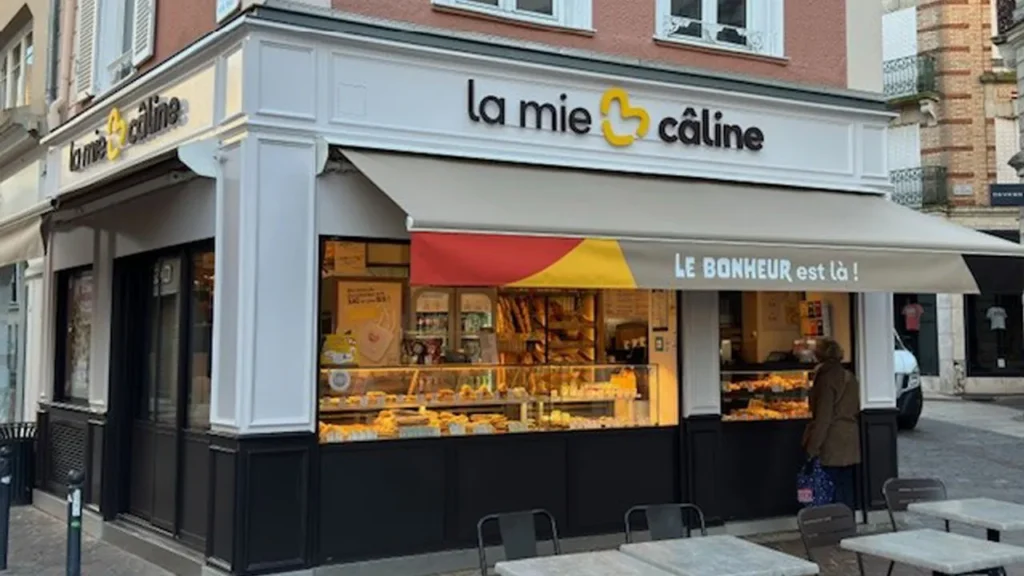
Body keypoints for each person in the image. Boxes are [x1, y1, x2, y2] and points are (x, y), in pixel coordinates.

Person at [802, 338, 861, 510]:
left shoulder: (825, 379)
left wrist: (812, 448)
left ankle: (832, 527)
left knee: (829, 488)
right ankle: (847, 524)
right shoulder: (849, 376)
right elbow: (855, 407)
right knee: (846, 488)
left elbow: (823, 417)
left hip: (831, 442)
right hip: (850, 439)